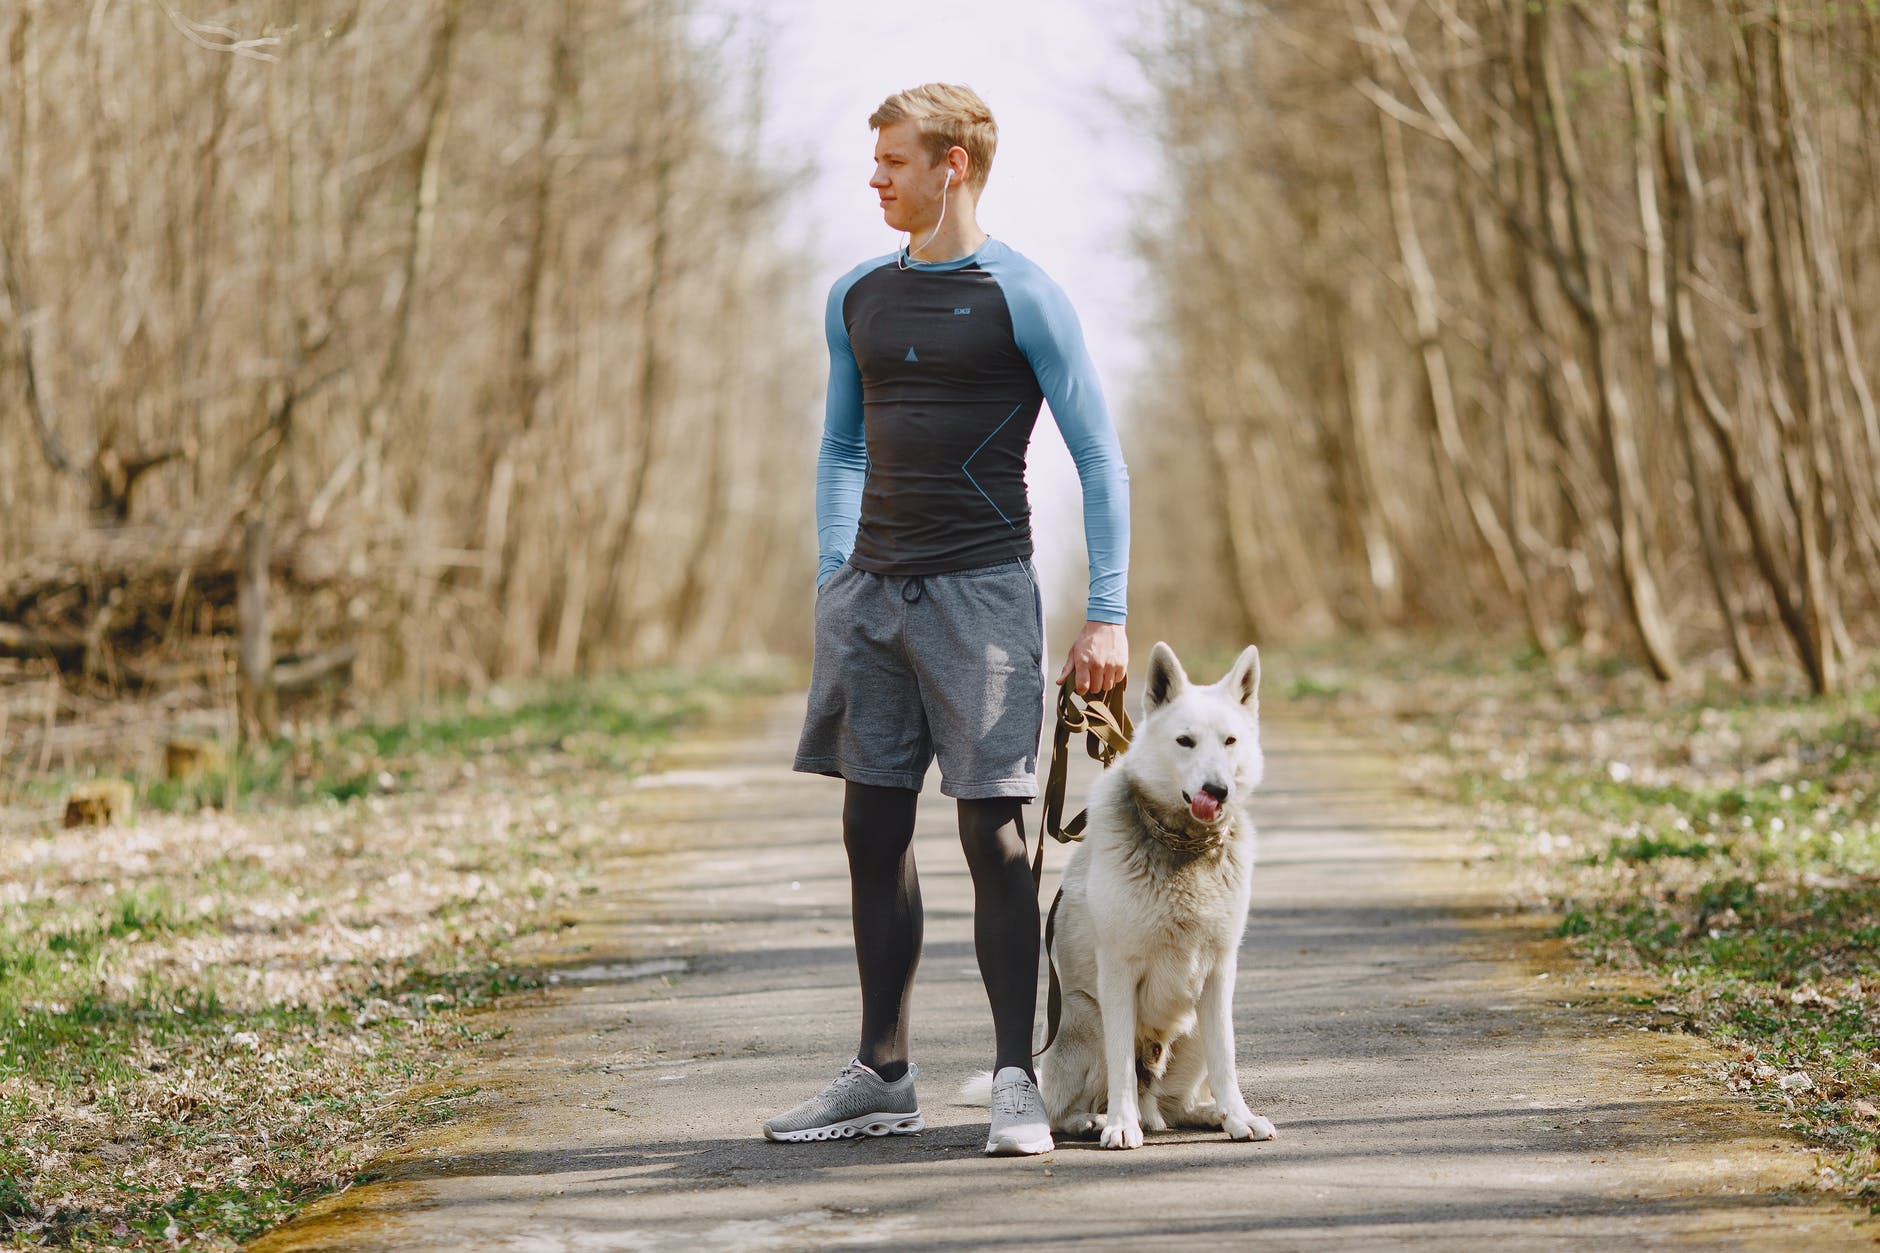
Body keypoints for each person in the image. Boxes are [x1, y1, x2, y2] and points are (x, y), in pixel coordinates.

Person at [764, 83, 1129, 1157]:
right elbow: (839, 448)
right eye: (874, 163)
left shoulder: (1024, 295)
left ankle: (1015, 1079)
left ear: (951, 166)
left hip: (982, 596)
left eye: (890, 163)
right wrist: (835, 569)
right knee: (869, 828)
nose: (873, 179)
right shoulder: (856, 296)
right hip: (870, 597)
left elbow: (1096, 454)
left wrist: (1103, 611)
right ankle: (881, 1072)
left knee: (995, 833)